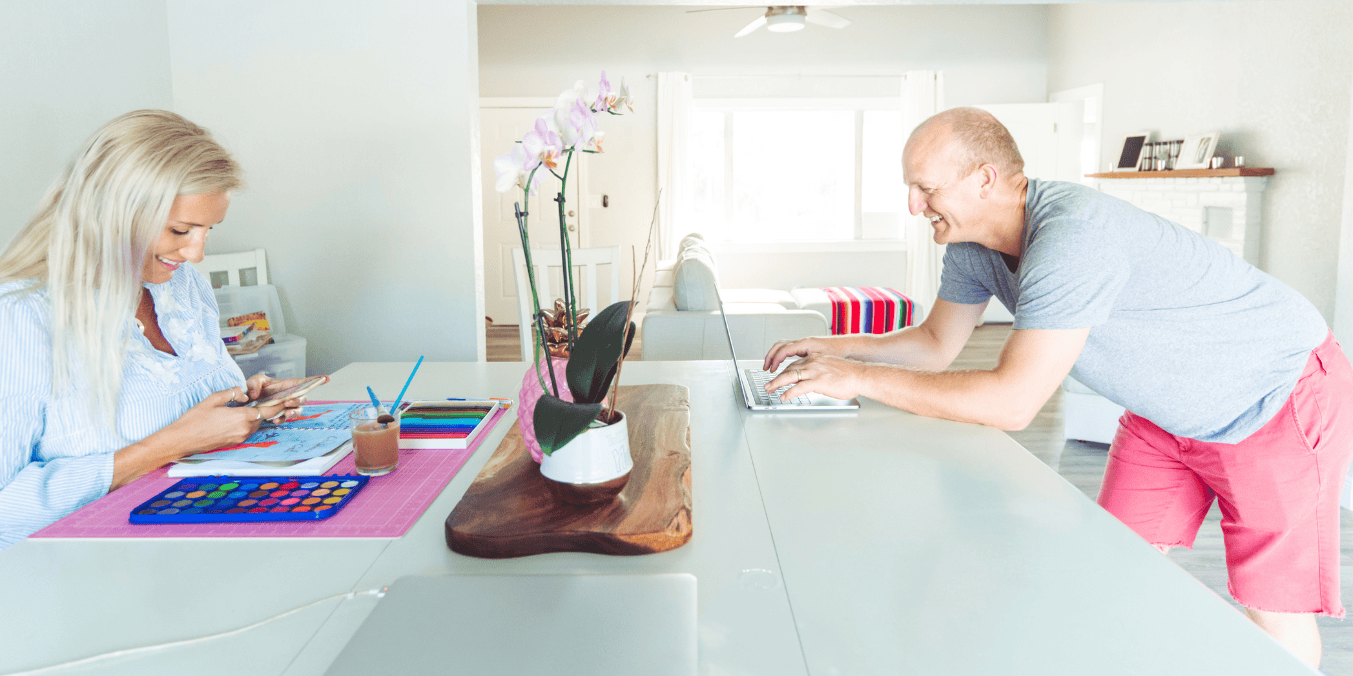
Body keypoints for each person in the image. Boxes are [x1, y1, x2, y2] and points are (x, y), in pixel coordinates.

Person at [763, 106, 1353, 669]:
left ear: (984, 180)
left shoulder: (1074, 237)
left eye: (926, 188)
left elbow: (1013, 402)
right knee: (1111, 567)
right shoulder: (974, 245)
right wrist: (838, 351)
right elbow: (936, 343)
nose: (914, 205)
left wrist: (859, 378)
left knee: (1272, 611)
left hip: (1274, 399)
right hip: (1164, 416)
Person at [0, 110, 324, 549]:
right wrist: (166, 446)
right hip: (90, 569)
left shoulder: (178, 283)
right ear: (111, 213)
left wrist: (240, 403)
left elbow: (179, 403)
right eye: (180, 230)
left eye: (208, 231)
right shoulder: (22, 315)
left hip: (206, 532)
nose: (196, 254)